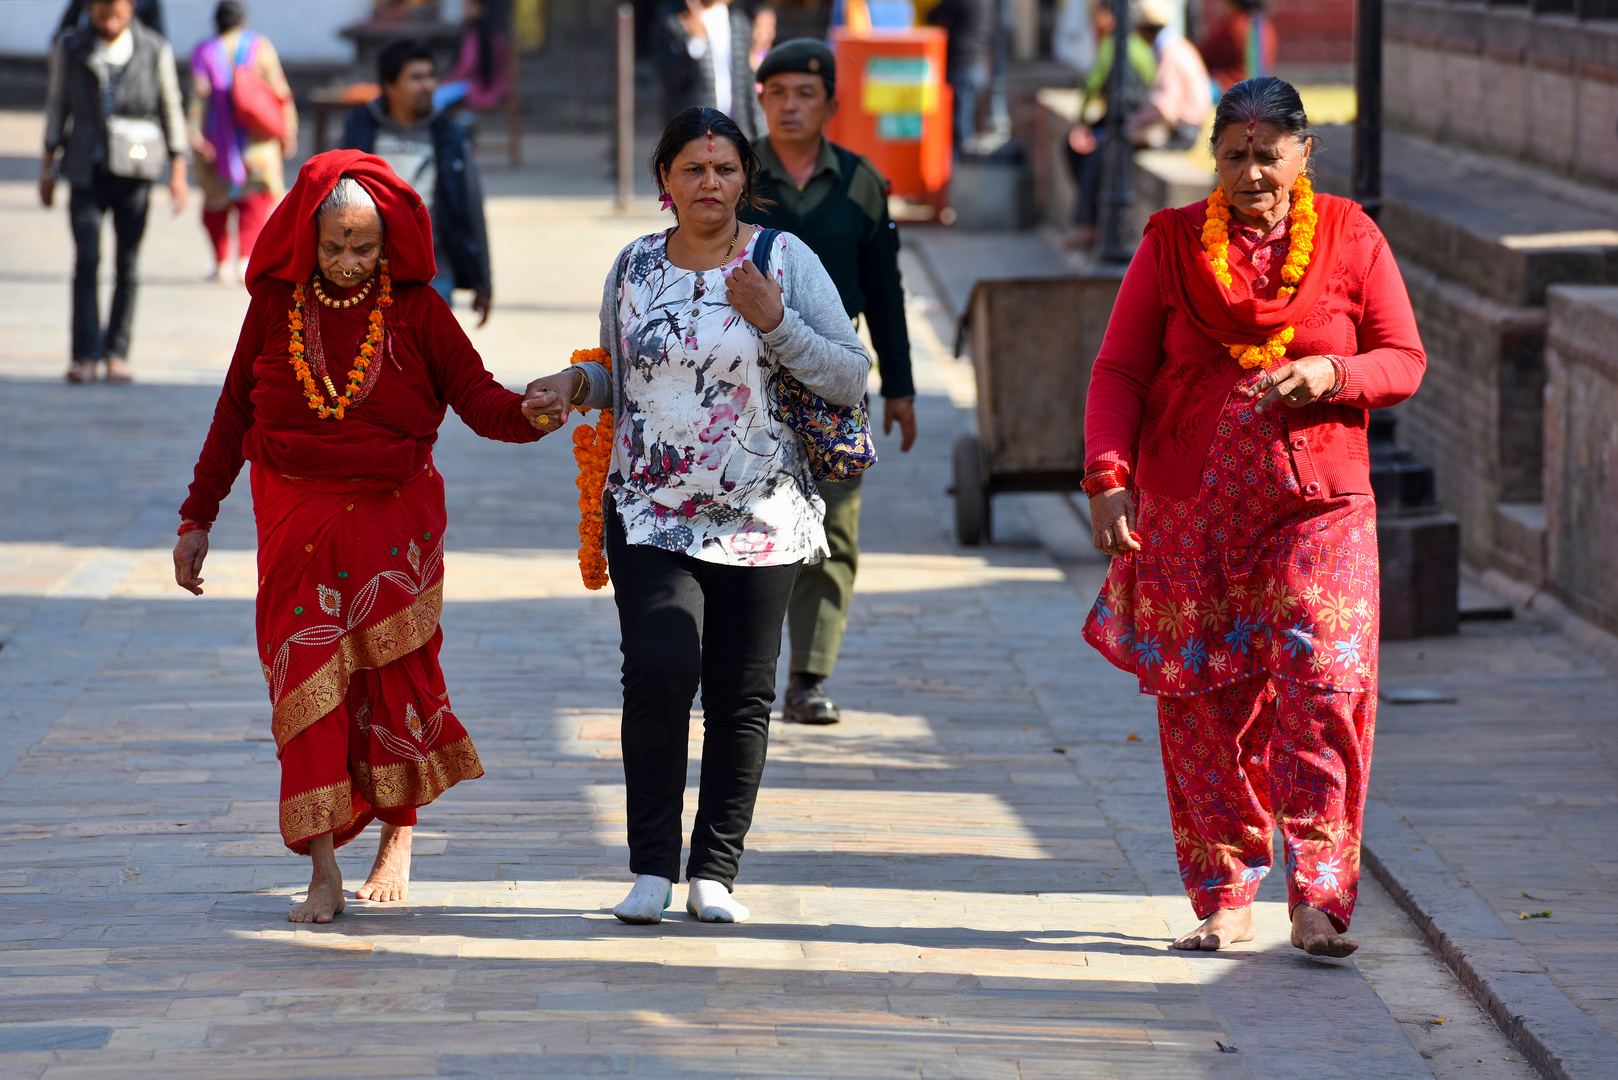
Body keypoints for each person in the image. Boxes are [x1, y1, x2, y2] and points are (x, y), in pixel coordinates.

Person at [1080, 77, 1426, 956]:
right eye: (1233, 155)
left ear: (1306, 154)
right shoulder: (1169, 243)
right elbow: (1120, 371)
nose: (1251, 173)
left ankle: (1319, 895)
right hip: (1188, 512)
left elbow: (1404, 359)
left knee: (1326, 686)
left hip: (1320, 507)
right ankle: (1225, 892)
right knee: (1202, 701)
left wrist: (1332, 378)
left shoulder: (1351, 235)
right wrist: (1108, 476)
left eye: (1268, 155)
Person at [172, 150, 555, 924]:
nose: (348, 262)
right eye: (334, 246)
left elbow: (481, 401)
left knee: (393, 685)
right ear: (305, 241)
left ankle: (397, 835)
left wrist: (535, 411)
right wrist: (196, 517)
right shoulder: (274, 307)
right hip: (293, 519)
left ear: (391, 246)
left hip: (391, 520)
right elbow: (232, 414)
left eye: (365, 247)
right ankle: (322, 868)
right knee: (306, 688)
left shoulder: (418, 311)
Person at [522, 107, 870, 925]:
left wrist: (775, 321)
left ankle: (715, 869)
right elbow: (623, 372)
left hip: (763, 514)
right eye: (692, 169)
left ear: (745, 178)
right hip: (650, 508)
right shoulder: (635, 264)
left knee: (742, 695)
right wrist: (575, 386)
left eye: (723, 169)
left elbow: (850, 377)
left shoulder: (783, 260)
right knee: (659, 668)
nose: (709, 183)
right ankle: (651, 867)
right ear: (665, 184)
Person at [742, 39, 917, 725]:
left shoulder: (860, 183)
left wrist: (899, 387)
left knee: (832, 529)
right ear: (761, 99)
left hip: (832, 384)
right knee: (744, 521)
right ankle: (746, 668)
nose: (789, 105)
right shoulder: (734, 172)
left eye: (804, 94)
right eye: (777, 92)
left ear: (831, 105)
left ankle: (808, 678)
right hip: (743, 377)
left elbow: (886, 290)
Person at [41, 0, 187, 384]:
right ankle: (85, 355)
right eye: (101, 14)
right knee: (87, 260)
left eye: (117, 15)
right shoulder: (71, 47)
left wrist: (178, 169)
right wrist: (47, 166)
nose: (109, 23)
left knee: (128, 264)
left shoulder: (154, 47)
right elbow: (58, 105)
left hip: (135, 171)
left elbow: (170, 105)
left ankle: (117, 353)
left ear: (131, 9)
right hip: (85, 169)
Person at [339, 41, 492, 327]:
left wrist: (483, 281)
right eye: (416, 78)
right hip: (366, 271)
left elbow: (471, 205)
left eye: (431, 76)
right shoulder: (360, 130)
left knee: (425, 359)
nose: (428, 85)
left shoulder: (449, 135)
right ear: (390, 86)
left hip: (433, 271)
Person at [188, 1, 297, 284]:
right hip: (257, 141)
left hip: (215, 142)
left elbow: (198, 98)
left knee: (215, 203)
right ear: (242, 22)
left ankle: (221, 262)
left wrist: (194, 133)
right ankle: (245, 260)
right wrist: (288, 132)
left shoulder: (204, 51)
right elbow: (280, 91)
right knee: (254, 201)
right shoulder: (260, 46)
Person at [1061, 0, 1156, 249]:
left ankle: (1087, 223)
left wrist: (1080, 122)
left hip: (1126, 123)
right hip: (1129, 118)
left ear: (1106, 17)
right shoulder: (1141, 46)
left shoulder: (1113, 43)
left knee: (1090, 152)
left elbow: (1092, 83)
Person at [653, 0, 766, 138]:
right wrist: (695, 41)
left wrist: (758, 132)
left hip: (735, 131)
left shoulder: (738, 20)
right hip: (694, 133)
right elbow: (670, 78)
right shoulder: (674, 20)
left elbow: (746, 83)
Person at [1126, 0, 1213, 150]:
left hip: (1184, 130)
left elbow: (1163, 107)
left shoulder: (1170, 52)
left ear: (1141, 29)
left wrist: (1133, 120)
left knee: (1127, 136)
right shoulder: (1174, 46)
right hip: (1186, 125)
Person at [925, 0, 993, 148]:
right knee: (965, 121)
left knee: (959, 127)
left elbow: (931, 16)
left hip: (960, 66)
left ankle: (960, 167)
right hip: (978, 65)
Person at [432, 0, 510, 113]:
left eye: (468, 6)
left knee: (434, 98)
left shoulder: (477, 35)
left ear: (480, 9)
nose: (464, 9)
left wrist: (446, 80)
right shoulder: (494, 34)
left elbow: (468, 66)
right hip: (489, 87)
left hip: (478, 88)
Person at [1199, 0, 1277, 94]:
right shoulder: (1265, 26)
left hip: (1229, 86)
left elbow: (1204, 53)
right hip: (1258, 87)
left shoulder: (1235, 25)